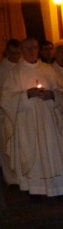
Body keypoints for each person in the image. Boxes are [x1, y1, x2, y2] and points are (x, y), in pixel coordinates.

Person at [1, 38, 63, 197]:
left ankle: (61, 188)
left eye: (34, 47)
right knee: (33, 154)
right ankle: (36, 190)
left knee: (53, 151)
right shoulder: (15, 73)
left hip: (49, 122)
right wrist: (26, 94)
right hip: (27, 124)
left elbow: (61, 93)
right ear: (22, 50)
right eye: (27, 48)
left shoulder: (48, 69)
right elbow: (6, 99)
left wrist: (52, 95)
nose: (31, 51)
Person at [0, 39, 22, 184]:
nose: (16, 56)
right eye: (13, 53)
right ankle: (11, 178)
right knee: (7, 145)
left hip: (22, 113)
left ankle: (23, 176)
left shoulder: (23, 67)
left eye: (18, 53)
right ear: (7, 51)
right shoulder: (2, 69)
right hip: (5, 113)